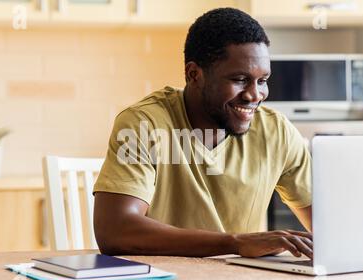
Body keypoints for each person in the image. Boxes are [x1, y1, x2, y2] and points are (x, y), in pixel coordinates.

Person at [93, 8, 313, 259]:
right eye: (240, 79)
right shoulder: (145, 124)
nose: (254, 95)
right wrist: (236, 243)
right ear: (194, 74)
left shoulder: (277, 132)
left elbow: (329, 226)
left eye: (262, 81)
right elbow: (115, 232)